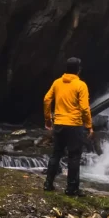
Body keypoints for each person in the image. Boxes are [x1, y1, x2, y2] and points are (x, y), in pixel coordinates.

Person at [42, 57, 93, 196]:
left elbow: (47, 100)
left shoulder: (57, 82)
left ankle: (48, 184)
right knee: (74, 156)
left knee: (56, 154)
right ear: (79, 69)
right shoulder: (81, 85)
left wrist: (48, 119)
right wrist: (88, 125)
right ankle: (71, 189)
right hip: (74, 125)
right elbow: (84, 108)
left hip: (58, 123)